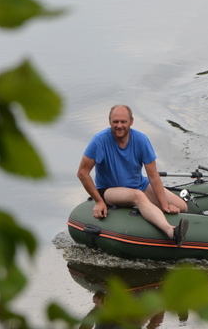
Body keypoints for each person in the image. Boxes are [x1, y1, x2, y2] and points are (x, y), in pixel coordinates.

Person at [77, 105, 189, 246]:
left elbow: (153, 176)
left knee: (182, 206)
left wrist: (164, 205)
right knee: (138, 196)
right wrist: (98, 201)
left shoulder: (141, 140)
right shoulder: (99, 140)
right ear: (109, 121)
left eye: (123, 122)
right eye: (115, 122)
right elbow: (82, 173)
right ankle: (172, 232)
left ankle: (157, 214)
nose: (119, 126)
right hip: (109, 190)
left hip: (138, 184)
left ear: (131, 121)